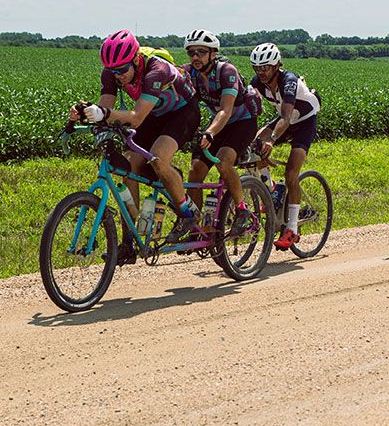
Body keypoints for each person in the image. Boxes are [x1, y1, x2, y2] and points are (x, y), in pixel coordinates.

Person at [70, 29, 201, 262]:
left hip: (182, 113)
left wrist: (104, 114)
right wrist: (89, 114)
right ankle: (128, 241)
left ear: (136, 60)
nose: (118, 76)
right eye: (113, 71)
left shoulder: (156, 70)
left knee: (159, 158)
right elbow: (106, 106)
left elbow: (137, 117)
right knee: (129, 169)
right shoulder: (112, 72)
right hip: (153, 114)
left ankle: (187, 213)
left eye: (122, 70)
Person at [182, 29, 261, 237]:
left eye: (201, 52)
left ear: (213, 53)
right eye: (191, 53)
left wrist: (209, 133)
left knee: (223, 162)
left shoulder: (227, 71)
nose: (195, 57)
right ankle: (197, 224)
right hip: (218, 123)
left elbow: (226, 109)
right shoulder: (191, 73)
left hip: (242, 121)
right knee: (195, 171)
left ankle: (242, 210)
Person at [247, 42, 320, 251]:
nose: (261, 72)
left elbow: (287, 116)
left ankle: (292, 228)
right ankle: (271, 190)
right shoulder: (257, 82)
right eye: (257, 68)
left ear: (277, 65)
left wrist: (272, 139)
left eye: (265, 68)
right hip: (284, 119)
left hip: (303, 121)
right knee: (255, 145)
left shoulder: (289, 81)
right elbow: (252, 110)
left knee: (291, 174)